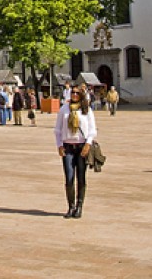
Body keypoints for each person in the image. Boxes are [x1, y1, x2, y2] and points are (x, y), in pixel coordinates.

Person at [54, 87, 96, 219]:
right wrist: (59, 145)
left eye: (78, 93)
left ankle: (79, 206)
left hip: (82, 147)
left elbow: (92, 130)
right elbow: (58, 130)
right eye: (73, 92)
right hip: (68, 147)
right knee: (69, 178)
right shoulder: (64, 109)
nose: (75, 95)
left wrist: (88, 144)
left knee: (81, 178)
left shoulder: (86, 110)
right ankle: (71, 206)